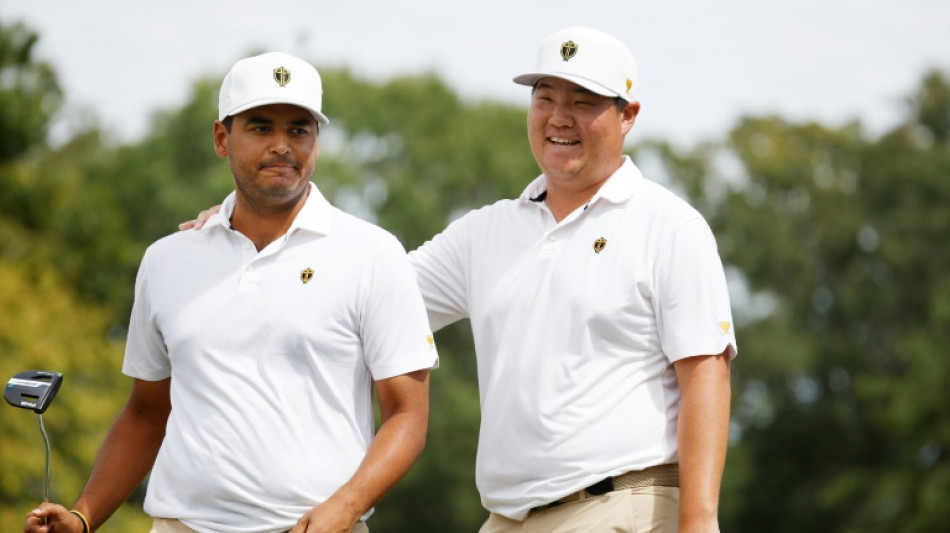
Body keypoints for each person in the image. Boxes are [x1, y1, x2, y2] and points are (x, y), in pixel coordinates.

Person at [184, 27, 736, 533]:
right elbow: (355, 288)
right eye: (545, 98)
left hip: (622, 507)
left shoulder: (669, 227)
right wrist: (248, 218)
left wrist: (699, 521)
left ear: (628, 114)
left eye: (583, 103)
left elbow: (705, 375)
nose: (559, 118)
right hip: (509, 517)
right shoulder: (488, 231)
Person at [25, 52, 438, 533]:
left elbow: (407, 416)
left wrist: (346, 507)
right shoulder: (166, 260)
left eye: (299, 130)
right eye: (261, 128)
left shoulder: (372, 253)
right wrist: (84, 515)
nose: (283, 145)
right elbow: (146, 412)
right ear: (223, 138)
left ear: (317, 142)